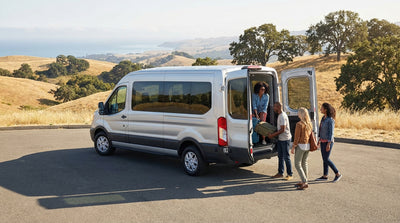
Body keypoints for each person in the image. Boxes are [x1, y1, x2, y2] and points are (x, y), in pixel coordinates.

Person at [316, 103, 342, 182]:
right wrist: (319, 140)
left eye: (322, 108)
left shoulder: (330, 120)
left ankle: (337, 173)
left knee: (326, 159)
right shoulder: (323, 118)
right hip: (322, 141)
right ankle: (325, 175)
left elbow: (331, 133)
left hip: (328, 142)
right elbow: (320, 130)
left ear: (326, 109)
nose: (320, 109)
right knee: (324, 159)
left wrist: (328, 144)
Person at [268, 102, 292, 180]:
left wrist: (273, 135)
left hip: (285, 139)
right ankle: (280, 173)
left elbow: (282, 129)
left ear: (278, 107)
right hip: (281, 139)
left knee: (286, 157)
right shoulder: (280, 115)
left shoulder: (282, 116)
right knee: (280, 156)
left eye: (274, 106)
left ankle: (290, 174)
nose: (273, 108)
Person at [290, 107, 312, 190]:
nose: (297, 114)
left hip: (300, 146)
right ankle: (304, 180)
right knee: (304, 163)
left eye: (298, 112)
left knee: (297, 164)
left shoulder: (299, 124)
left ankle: (304, 181)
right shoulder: (309, 123)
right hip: (307, 146)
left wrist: (293, 147)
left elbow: (297, 137)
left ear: (301, 114)